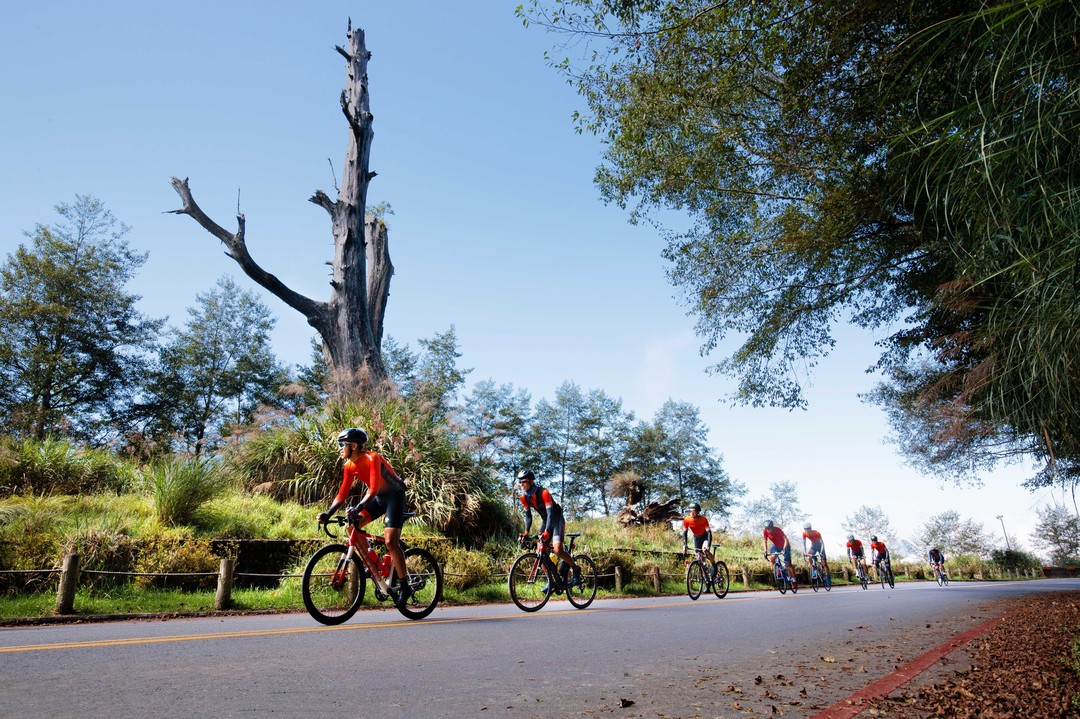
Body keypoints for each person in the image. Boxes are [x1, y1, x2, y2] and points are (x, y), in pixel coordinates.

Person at [317, 428, 411, 607]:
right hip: (379, 499)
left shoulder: (372, 458)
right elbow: (342, 494)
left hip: (395, 496)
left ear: (353, 446)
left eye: (342, 445)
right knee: (352, 526)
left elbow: (373, 489)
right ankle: (373, 565)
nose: (339, 448)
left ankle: (405, 587)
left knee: (391, 542)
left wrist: (358, 507)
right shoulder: (349, 466)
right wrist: (328, 514)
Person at [517, 470, 579, 586]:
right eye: (520, 482)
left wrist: (547, 531)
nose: (521, 484)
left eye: (524, 481)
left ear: (531, 482)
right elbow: (528, 516)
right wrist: (526, 532)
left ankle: (576, 570)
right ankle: (551, 581)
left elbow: (550, 513)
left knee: (557, 550)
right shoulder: (523, 497)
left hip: (556, 518)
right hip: (546, 521)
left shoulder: (544, 492)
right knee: (539, 551)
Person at [682, 503, 717, 576]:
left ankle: (714, 566)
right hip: (696, 538)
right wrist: (685, 545)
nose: (692, 513)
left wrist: (708, 546)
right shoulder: (687, 519)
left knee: (705, 550)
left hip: (705, 537)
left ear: (698, 512)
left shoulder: (703, 519)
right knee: (699, 557)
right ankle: (705, 577)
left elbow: (709, 533)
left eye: (694, 511)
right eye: (690, 511)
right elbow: (685, 532)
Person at [763, 520, 796, 587]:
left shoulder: (778, 530)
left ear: (772, 527)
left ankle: (794, 579)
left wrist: (784, 549)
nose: (768, 530)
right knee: (772, 558)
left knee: (788, 564)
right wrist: (765, 551)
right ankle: (778, 568)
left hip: (785, 546)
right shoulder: (765, 531)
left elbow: (786, 539)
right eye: (767, 528)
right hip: (776, 546)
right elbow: (765, 541)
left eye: (769, 528)